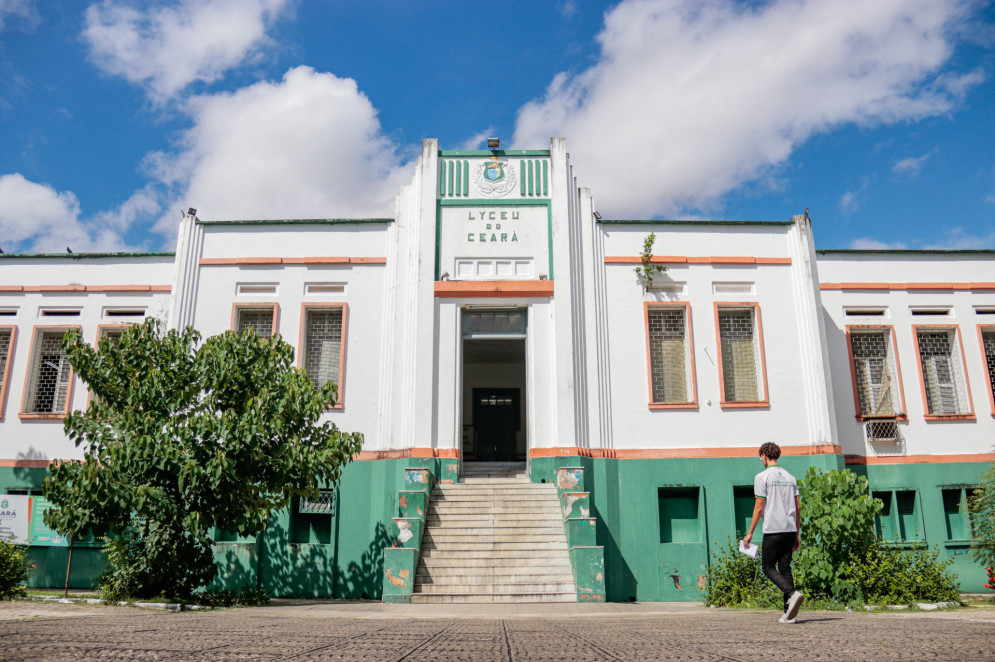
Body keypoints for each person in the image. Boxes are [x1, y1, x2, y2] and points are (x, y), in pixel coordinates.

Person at [743, 442, 805, 623]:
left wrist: (750, 533)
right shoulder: (790, 477)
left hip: (773, 529)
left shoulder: (762, 477)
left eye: (760, 457)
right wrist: (797, 534)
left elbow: (759, 507)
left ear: (763, 455)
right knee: (785, 568)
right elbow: (798, 507)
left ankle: (792, 593)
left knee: (768, 567)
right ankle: (789, 614)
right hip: (790, 528)